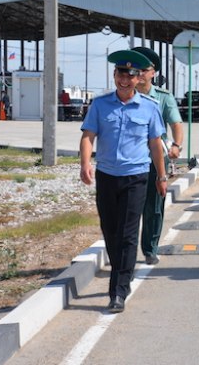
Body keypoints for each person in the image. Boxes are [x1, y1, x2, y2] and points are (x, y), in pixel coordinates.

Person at [79, 49, 168, 313]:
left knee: (129, 234)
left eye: (130, 75)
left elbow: (155, 145)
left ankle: (118, 290)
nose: (125, 80)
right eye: (121, 74)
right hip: (107, 176)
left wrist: (161, 176)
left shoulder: (150, 108)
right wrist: (85, 164)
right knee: (111, 231)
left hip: (136, 177)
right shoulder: (100, 105)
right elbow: (88, 136)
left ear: (139, 78)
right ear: (115, 75)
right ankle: (121, 276)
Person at [132, 46, 184, 266]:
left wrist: (177, 145)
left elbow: (176, 123)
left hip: (155, 158)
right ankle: (126, 249)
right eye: (136, 69)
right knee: (130, 207)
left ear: (153, 73)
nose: (140, 74)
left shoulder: (162, 97)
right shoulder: (124, 95)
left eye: (144, 70)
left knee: (154, 206)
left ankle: (150, 248)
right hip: (131, 158)